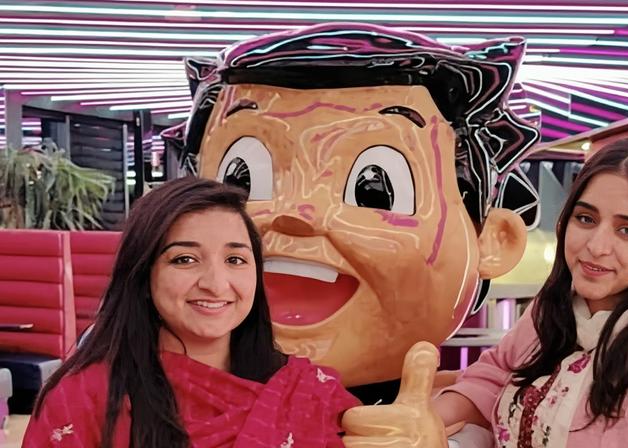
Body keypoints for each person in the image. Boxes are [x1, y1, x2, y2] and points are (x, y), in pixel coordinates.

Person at [161, 22, 539, 405]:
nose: (297, 213)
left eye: (374, 189)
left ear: (493, 240)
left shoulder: (499, 414)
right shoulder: (128, 395)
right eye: (241, 182)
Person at [341, 138, 628, 447]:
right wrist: (424, 421)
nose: (597, 246)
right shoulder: (554, 312)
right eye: (586, 219)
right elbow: (494, 375)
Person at [23, 177, 358, 447]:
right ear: (143, 274)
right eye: (185, 259)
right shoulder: (82, 399)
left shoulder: (311, 395)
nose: (216, 284)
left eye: (235, 260)